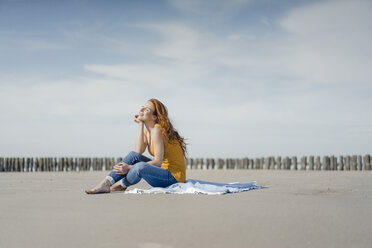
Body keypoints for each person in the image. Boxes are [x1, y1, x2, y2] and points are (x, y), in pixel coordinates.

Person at [85, 99, 187, 194]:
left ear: (154, 117)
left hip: (173, 178)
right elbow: (138, 151)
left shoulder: (157, 130)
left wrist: (129, 167)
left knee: (140, 166)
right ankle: (106, 183)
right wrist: (141, 124)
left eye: (146, 109)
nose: (141, 110)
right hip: (163, 173)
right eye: (142, 107)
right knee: (133, 156)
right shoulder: (149, 130)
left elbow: (158, 162)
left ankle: (122, 184)